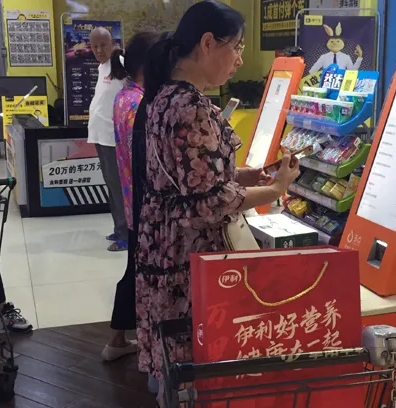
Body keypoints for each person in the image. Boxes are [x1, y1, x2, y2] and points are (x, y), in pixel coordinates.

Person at [136, 0, 300, 402]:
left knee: (175, 360)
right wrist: (276, 189)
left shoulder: (163, 96)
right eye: (236, 47)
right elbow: (208, 202)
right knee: (198, 359)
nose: (240, 59)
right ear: (208, 43)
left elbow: (186, 179)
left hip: (162, 239)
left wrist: (242, 176)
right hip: (191, 251)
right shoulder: (191, 108)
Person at [101, 31, 162, 362]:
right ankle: (133, 345)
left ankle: (117, 339)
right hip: (144, 202)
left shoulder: (125, 95)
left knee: (133, 269)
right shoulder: (142, 104)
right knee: (140, 273)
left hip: (132, 197)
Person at [87, 27, 128, 252]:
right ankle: (118, 227)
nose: (99, 50)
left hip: (115, 138)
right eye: (95, 46)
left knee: (119, 186)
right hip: (100, 135)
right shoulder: (102, 67)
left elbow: (136, 90)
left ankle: (126, 235)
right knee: (111, 184)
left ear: (112, 43)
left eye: (103, 45)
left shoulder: (120, 62)